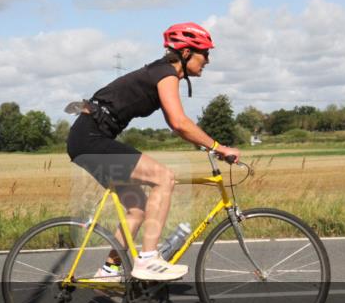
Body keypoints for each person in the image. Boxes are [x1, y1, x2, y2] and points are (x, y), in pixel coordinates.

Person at [65, 22, 240, 282]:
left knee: (137, 208)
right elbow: (180, 123)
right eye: (205, 53)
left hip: (88, 139)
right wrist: (217, 147)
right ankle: (148, 259)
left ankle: (109, 270)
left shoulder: (163, 73)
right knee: (164, 177)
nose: (209, 60)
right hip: (91, 139)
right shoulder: (165, 73)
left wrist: (206, 144)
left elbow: (175, 125)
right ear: (187, 52)